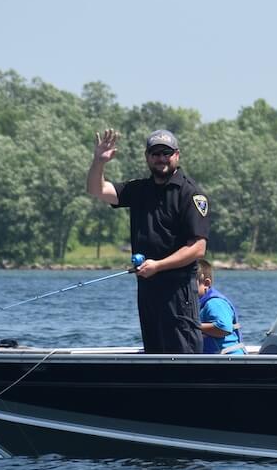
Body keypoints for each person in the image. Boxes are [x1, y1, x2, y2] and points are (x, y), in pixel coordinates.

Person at [86, 128, 210, 354]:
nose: (161, 158)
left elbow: (198, 249)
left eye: (166, 153)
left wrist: (158, 265)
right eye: (155, 153)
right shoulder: (140, 189)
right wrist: (99, 161)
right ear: (147, 157)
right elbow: (97, 189)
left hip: (177, 290)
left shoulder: (190, 194)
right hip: (147, 288)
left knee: (182, 355)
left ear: (177, 155)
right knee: (155, 353)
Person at [196, 258, 245, 355]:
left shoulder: (215, 303)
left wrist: (192, 326)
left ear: (206, 283)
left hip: (229, 359)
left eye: (190, 285)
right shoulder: (200, 303)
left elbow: (224, 327)